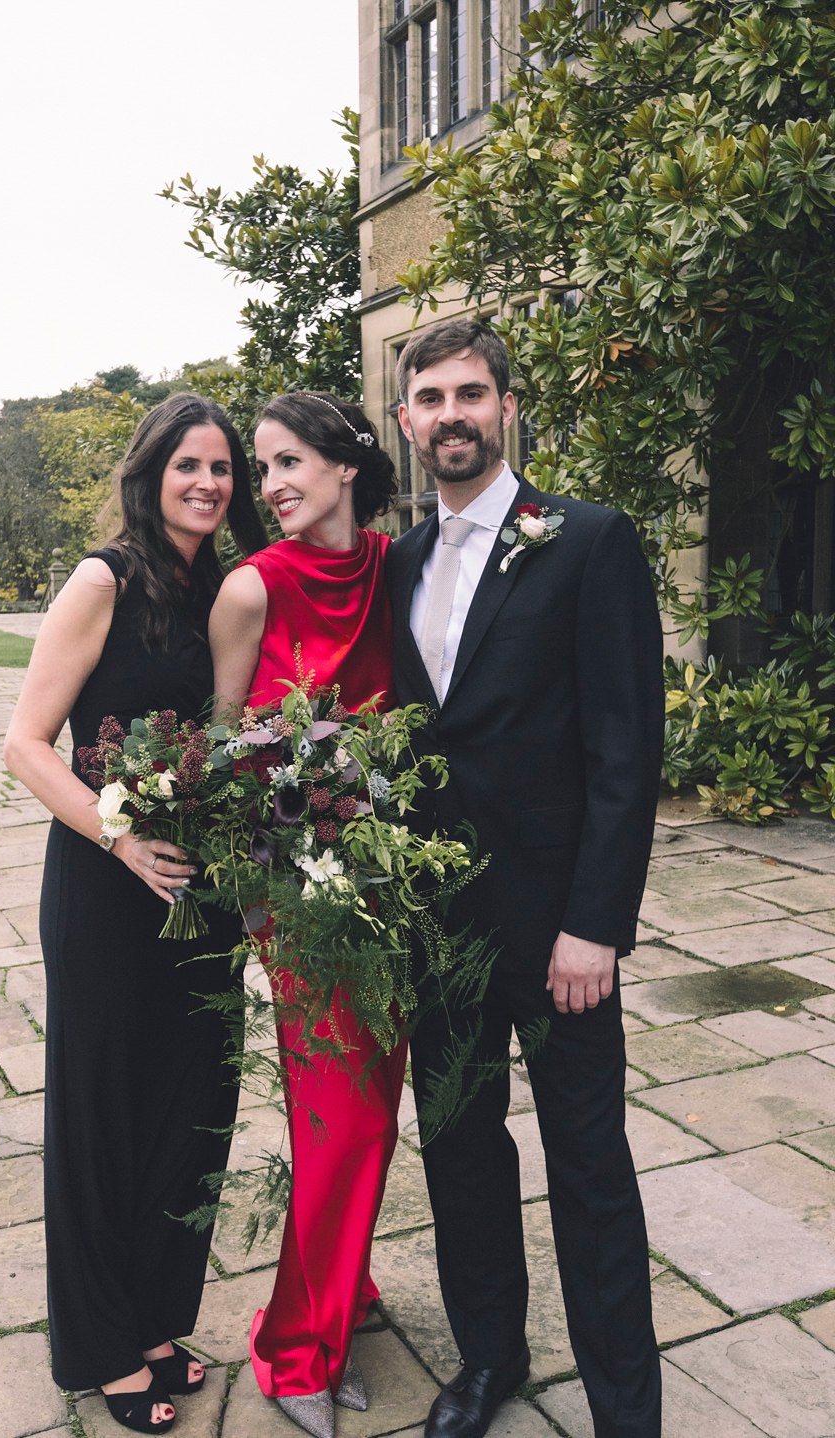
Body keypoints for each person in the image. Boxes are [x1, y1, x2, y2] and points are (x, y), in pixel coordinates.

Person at [387, 319, 665, 1438]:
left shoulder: (588, 541)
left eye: (469, 393)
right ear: (406, 421)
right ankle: (489, 1356)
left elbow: (625, 749)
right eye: (430, 398)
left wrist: (596, 924)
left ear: (506, 405)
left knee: (590, 1171)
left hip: (561, 941)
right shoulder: (398, 562)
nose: (450, 414)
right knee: (460, 1150)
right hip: (437, 933)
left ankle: (623, 1405)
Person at [4, 393, 267, 1434]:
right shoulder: (99, 579)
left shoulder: (226, 589)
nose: (208, 484)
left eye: (222, 469)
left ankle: (159, 1320)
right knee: (103, 1115)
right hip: (106, 892)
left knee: (189, 1114)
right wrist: (116, 836)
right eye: (188, 466)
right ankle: (105, 1346)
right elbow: (26, 742)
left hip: (198, 889)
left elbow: (232, 731)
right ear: (150, 473)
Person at [209, 391, 404, 1438]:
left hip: (391, 884)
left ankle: (342, 1299)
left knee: (377, 1108)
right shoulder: (254, 587)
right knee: (344, 1117)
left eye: (289, 463)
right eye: (263, 467)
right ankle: (291, 1355)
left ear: (344, 466)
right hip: (301, 892)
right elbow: (221, 753)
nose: (270, 484)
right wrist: (260, 893)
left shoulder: (394, 567)